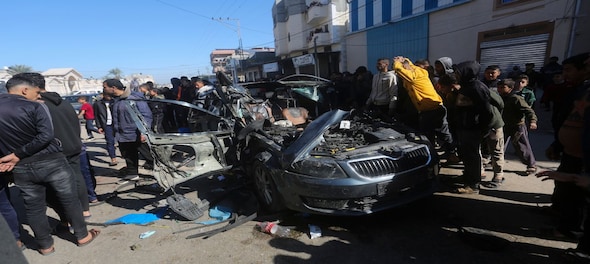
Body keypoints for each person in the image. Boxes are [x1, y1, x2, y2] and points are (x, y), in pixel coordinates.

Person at [0, 76, 99, 255]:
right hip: (51, 162)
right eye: (36, 92)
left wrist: (11, 157)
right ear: (24, 90)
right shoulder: (35, 106)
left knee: (34, 207)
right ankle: (82, 236)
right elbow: (46, 136)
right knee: (70, 199)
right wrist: (17, 154)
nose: (38, 96)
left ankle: (45, 246)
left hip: (21, 167)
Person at [16, 72, 92, 220]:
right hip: (74, 144)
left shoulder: (36, 105)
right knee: (77, 177)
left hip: (55, 150)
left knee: (61, 186)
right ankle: (85, 210)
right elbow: (76, 124)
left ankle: (70, 218)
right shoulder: (63, 101)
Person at [545, 52, 590, 240]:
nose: (565, 74)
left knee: (577, 195)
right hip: (570, 151)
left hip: (583, 156)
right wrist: (558, 143)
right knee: (565, 189)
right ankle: (561, 219)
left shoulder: (583, 90)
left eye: (569, 70)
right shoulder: (576, 89)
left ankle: (570, 230)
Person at [393, 56, 455, 159]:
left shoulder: (418, 73)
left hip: (434, 108)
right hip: (426, 110)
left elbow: (400, 70)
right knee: (428, 134)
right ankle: (433, 155)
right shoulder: (412, 72)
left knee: (442, 133)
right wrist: (405, 61)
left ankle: (451, 154)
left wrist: (397, 63)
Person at [451, 61, 494, 194]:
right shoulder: (466, 86)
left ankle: (474, 185)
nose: (455, 75)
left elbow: (486, 111)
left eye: (458, 72)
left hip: (472, 128)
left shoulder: (476, 87)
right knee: (465, 154)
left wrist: (483, 128)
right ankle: (468, 176)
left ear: (467, 72)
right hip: (463, 126)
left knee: (472, 155)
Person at [104, 79, 153, 182]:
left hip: (137, 134)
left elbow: (146, 115)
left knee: (149, 156)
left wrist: (144, 132)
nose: (103, 89)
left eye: (105, 87)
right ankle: (132, 173)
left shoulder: (134, 98)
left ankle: (163, 173)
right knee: (128, 155)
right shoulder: (115, 100)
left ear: (113, 88)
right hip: (122, 135)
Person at [497, 79, 538, 178]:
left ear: (510, 88)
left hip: (517, 126)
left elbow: (528, 110)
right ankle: (496, 162)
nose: (500, 90)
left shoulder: (516, 98)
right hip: (503, 125)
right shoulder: (499, 98)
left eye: (503, 87)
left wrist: (533, 121)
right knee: (499, 146)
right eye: (499, 87)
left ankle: (531, 165)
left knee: (521, 146)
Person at [93, 91, 118, 166]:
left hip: (117, 123)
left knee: (122, 141)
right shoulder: (98, 104)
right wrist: (99, 126)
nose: (108, 96)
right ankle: (113, 159)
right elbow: (97, 116)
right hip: (106, 125)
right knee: (110, 142)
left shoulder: (115, 102)